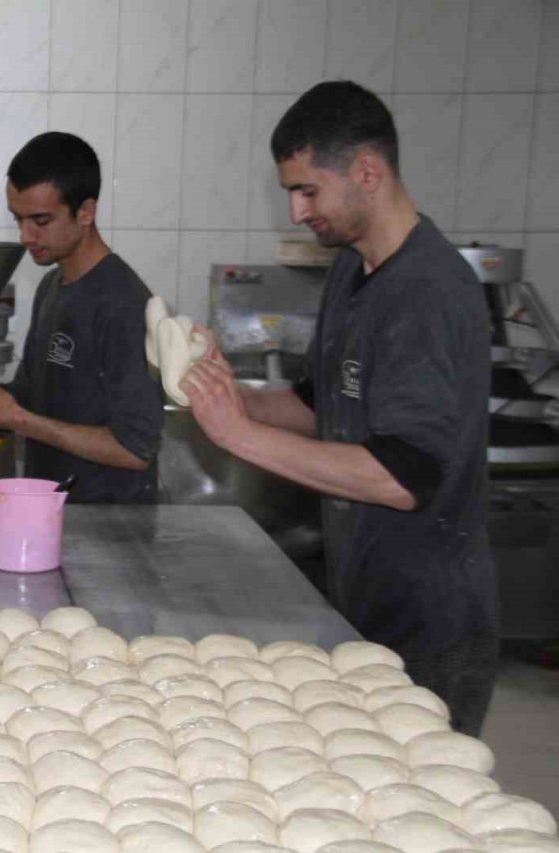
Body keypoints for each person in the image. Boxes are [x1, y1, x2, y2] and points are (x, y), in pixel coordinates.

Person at [182, 81, 497, 734]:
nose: (297, 212)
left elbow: (400, 476)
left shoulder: (429, 291)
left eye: (308, 191)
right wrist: (225, 392)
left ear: (368, 172)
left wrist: (237, 434)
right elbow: (315, 407)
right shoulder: (353, 274)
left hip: (431, 623)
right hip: (365, 602)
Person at [0, 132, 164, 503]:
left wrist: (15, 419)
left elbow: (134, 450)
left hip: (110, 532)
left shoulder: (124, 304)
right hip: (54, 514)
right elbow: (31, 397)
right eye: (17, 219)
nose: (25, 236)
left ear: (86, 212)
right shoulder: (52, 285)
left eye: (40, 220)